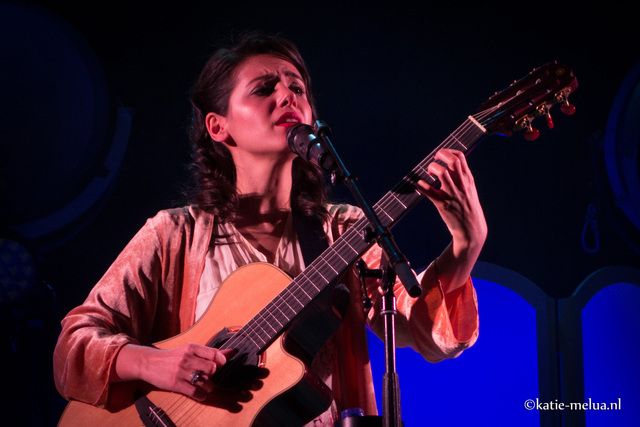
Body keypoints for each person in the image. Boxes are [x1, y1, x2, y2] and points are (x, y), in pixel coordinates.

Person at [53, 32, 487, 426]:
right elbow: (74, 346)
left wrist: (465, 246)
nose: (287, 96)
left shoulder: (345, 232)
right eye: (264, 89)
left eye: (297, 88)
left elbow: (424, 334)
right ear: (218, 126)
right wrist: (155, 364)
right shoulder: (174, 235)